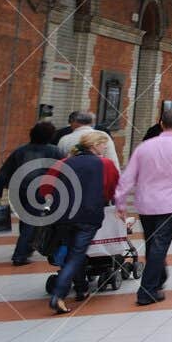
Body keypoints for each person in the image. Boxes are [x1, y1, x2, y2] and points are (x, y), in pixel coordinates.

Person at [114, 110, 172, 307]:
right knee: (159, 244)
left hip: (145, 203)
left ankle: (160, 277)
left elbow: (128, 177)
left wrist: (120, 202)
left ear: (161, 124)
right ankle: (147, 290)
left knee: (152, 241)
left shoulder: (144, 147)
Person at [39, 130, 119, 314]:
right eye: (103, 144)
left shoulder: (63, 163)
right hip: (88, 216)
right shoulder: (105, 164)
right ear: (94, 146)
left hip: (63, 216)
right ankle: (58, 295)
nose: (105, 147)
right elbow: (113, 189)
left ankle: (81, 287)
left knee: (72, 252)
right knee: (77, 254)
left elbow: (45, 189)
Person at [0, 122, 65, 266]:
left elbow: (4, 171)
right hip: (40, 190)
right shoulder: (55, 151)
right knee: (31, 222)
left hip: (18, 190)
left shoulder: (20, 150)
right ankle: (20, 255)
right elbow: (63, 172)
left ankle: (26, 248)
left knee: (25, 220)